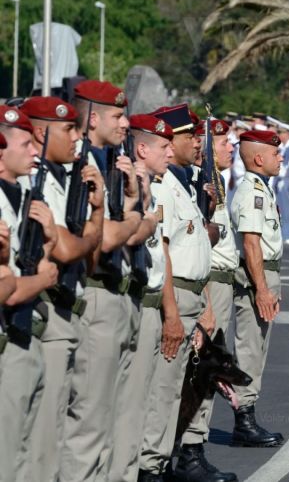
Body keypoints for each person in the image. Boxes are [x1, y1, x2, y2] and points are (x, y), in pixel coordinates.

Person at [62, 80, 147, 482]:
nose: (125, 123)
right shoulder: (83, 165)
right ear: (93, 118)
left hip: (119, 293)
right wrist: (134, 215)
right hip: (96, 295)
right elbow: (109, 237)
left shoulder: (110, 161)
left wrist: (131, 203)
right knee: (90, 424)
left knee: (115, 418)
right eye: (117, 115)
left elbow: (130, 229)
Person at [21, 96, 105, 482]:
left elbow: (85, 253)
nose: (75, 137)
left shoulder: (62, 178)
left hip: (67, 307)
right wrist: (88, 231)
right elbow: (70, 248)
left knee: (61, 423)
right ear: (40, 132)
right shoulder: (34, 181)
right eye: (68, 129)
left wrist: (97, 211)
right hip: (46, 312)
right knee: (43, 433)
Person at [138, 104, 216, 481]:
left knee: (175, 388)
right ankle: (152, 466)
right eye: (187, 136)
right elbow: (164, 254)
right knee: (164, 389)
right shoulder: (162, 187)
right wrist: (172, 313)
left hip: (191, 297)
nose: (192, 144)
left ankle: (164, 461)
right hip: (176, 299)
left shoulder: (181, 183)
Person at [107, 114, 173, 482]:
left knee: (141, 399)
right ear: (142, 148)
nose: (171, 152)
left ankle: (138, 470)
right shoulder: (130, 180)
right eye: (164, 146)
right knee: (122, 404)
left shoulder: (158, 183)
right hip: (129, 297)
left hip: (142, 299)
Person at [176, 118, 239, 482]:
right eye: (222, 141)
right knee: (202, 370)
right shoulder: (199, 181)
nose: (228, 147)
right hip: (206, 282)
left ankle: (190, 449)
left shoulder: (214, 180)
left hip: (215, 279)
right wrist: (207, 304)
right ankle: (189, 452)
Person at [0, 106, 58, 480]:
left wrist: (49, 240)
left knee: (29, 454)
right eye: (25, 143)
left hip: (26, 331)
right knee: (9, 454)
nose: (35, 150)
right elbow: (9, 287)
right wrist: (43, 279)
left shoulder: (18, 195)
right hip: (11, 333)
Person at [229, 129, 285, 448]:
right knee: (250, 348)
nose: (281, 158)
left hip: (265, 274)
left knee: (258, 348)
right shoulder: (252, 192)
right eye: (276, 154)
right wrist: (262, 289)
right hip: (255, 278)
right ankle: (243, 420)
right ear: (259, 158)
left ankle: (247, 416)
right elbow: (251, 244)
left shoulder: (262, 187)